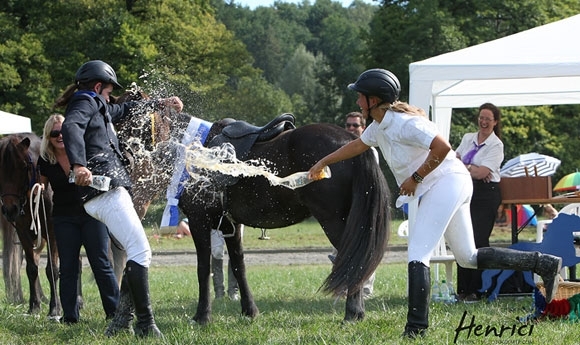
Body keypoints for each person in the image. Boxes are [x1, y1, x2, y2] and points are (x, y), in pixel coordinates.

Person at [307, 68, 562, 338]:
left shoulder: (406, 123)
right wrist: (324, 161)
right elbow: (357, 145)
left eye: (360, 97)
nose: (357, 102)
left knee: (418, 253)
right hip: (448, 184)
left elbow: (442, 148)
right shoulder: (379, 127)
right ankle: (543, 263)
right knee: (469, 257)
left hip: (447, 182)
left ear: (374, 100)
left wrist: (416, 177)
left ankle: (416, 329)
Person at [55, 60, 183, 338]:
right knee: (141, 252)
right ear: (98, 86)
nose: (111, 97)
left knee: (136, 253)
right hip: (103, 191)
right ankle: (144, 325)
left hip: (111, 190)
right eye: (109, 91)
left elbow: (124, 108)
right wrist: (78, 164)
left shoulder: (98, 106)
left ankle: (121, 322)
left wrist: (161, 103)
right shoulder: (85, 102)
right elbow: (71, 127)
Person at [38, 114, 120, 324]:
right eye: (54, 133)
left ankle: (115, 313)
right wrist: (36, 189)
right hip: (64, 218)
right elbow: (40, 186)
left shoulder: (85, 151)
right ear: (48, 136)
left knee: (101, 263)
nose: (60, 136)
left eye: (63, 132)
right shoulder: (46, 160)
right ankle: (70, 317)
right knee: (67, 267)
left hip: (92, 213)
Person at [454, 103, 504, 303]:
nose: (483, 122)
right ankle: (463, 289)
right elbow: (454, 160)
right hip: (466, 189)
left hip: (486, 194)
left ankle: (477, 289)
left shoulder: (496, 145)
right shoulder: (468, 138)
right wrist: (472, 168)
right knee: (462, 238)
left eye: (488, 119)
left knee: (479, 240)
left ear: (495, 122)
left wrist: (470, 168)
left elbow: (484, 173)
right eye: (481, 118)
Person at [328, 111, 377, 299]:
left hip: (363, 209)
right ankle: (341, 288)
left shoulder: (370, 151)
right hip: (343, 209)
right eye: (348, 125)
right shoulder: (340, 152)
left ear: (363, 128)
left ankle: (363, 291)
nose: (350, 129)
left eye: (355, 125)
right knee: (340, 248)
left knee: (365, 250)